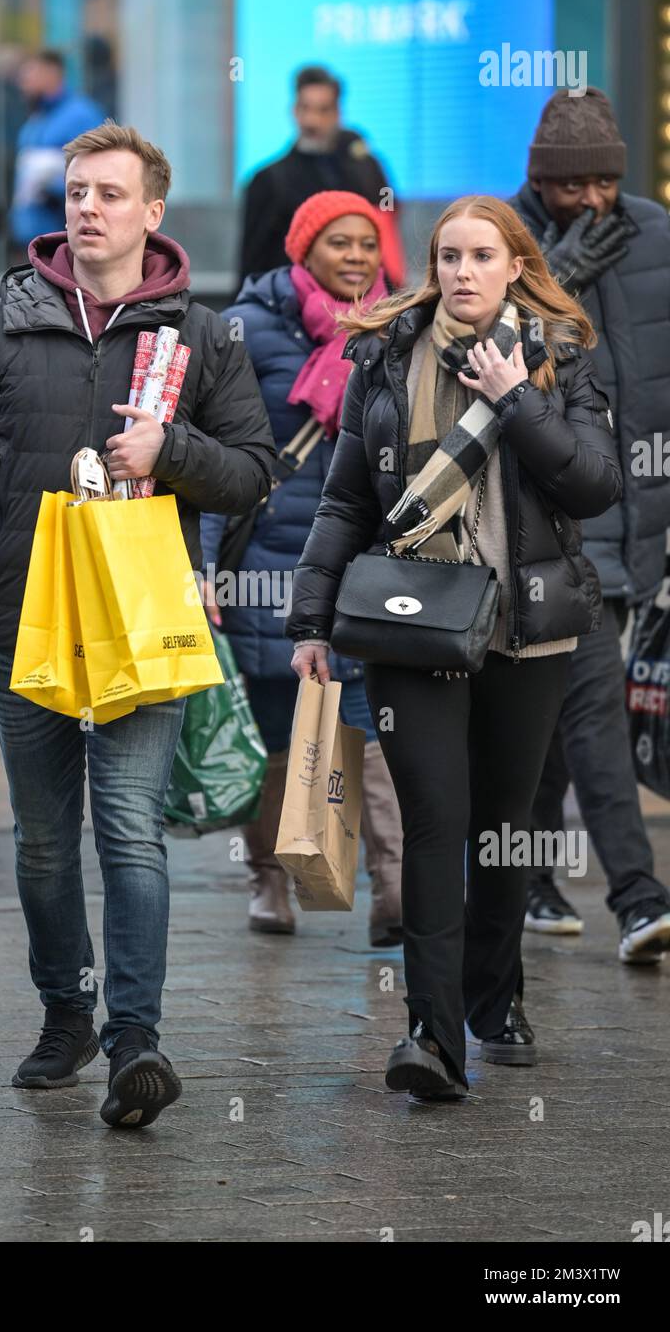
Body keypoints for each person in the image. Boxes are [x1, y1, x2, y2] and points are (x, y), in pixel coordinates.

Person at [0, 121, 275, 1128]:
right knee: (47, 843)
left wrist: (173, 450)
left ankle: (135, 1039)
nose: (87, 208)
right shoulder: (1, 325)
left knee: (131, 833)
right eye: (74, 193)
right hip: (25, 626)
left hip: (145, 626)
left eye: (109, 193)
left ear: (154, 210)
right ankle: (67, 1008)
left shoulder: (201, 332)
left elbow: (255, 475)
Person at [286, 195, 621, 1100]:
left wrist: (515, 400)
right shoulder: (386, 358)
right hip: (411, 625)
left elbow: (593, 484)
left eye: (481, 256)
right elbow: (346, 502)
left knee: (504, 829)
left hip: (527, 629)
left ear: (516, 265)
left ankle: (495, 996)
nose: (462, 273)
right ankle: (432, 1039)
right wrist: (312, 621)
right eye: (447, 256)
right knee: (436, 819)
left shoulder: (559, 360)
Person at [201, 190, 403, 945]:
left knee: (366, 725)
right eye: (338, 242)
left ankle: (393, 890)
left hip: (363, 564)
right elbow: (220, 460)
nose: (355, 255)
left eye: (366, 242)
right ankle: (271, 881)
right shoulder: (248, 331)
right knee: (276, 731)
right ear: (303, 249)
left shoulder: (399, 328)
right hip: (264, 563)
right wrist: (206, 567)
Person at [510, 88, 670, 962]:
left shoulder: (656, 233)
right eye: (576, 187)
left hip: (640, 509)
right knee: (588, 713)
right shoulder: (504, 238)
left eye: (607, 181)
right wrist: (555, 273)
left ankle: (532, 880)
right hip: (554, 524)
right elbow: (484, 353)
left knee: (562, 724)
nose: (596, 200)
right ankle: (638, 896)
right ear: (544, 182)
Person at [237, 65, 405, 292]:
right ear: (294, 111)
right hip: (290, 311)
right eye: (306, 108)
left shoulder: (364, 167)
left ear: (337, 114)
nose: (312, 121)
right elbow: (251, 265)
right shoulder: (267, 180)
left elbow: (387, 242)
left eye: (323, 110)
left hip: (362, 306)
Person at [10, 51, 106, 250]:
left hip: (62, 239)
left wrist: (51, 186)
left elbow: (98, 174)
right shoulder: (36, 118)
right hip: (32, 238)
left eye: (30, 75)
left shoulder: (82, 115)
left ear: (52, 73)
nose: (23, 83)